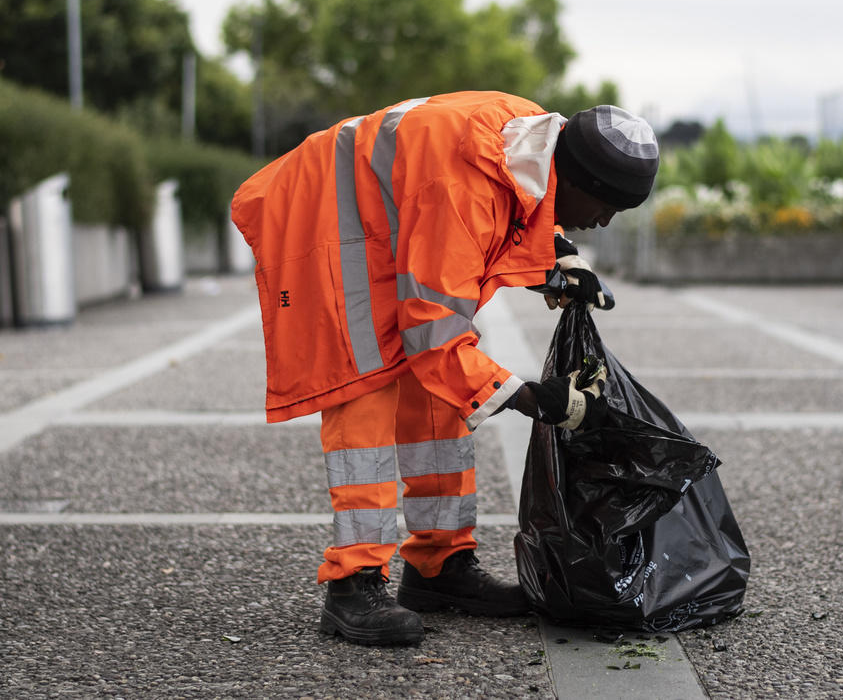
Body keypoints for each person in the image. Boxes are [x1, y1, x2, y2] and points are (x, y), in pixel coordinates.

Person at [231, 92, 659, 646]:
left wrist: (557, 258)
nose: (601, 224)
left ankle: (440, 567)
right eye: (605, 209)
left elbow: (504, 214)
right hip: (324, 229)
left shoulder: (530, 140)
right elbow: (437, 329)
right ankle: (352, 584)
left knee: (435, 400)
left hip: (379, 224)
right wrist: (535, 398)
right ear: (574, 179)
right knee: (367, 388)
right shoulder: (465, 182)